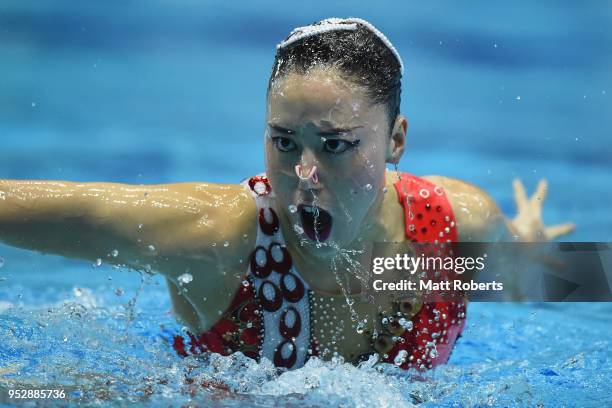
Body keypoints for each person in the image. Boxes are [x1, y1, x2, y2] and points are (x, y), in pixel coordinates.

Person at [0, 17, 574, 371]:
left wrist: (531, 239)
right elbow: (43, 208)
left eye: (335, 144)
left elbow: (530, 274)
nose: (304, 173)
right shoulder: (222, 237)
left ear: (396, 141)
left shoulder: (452, 229)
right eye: (283, 141)